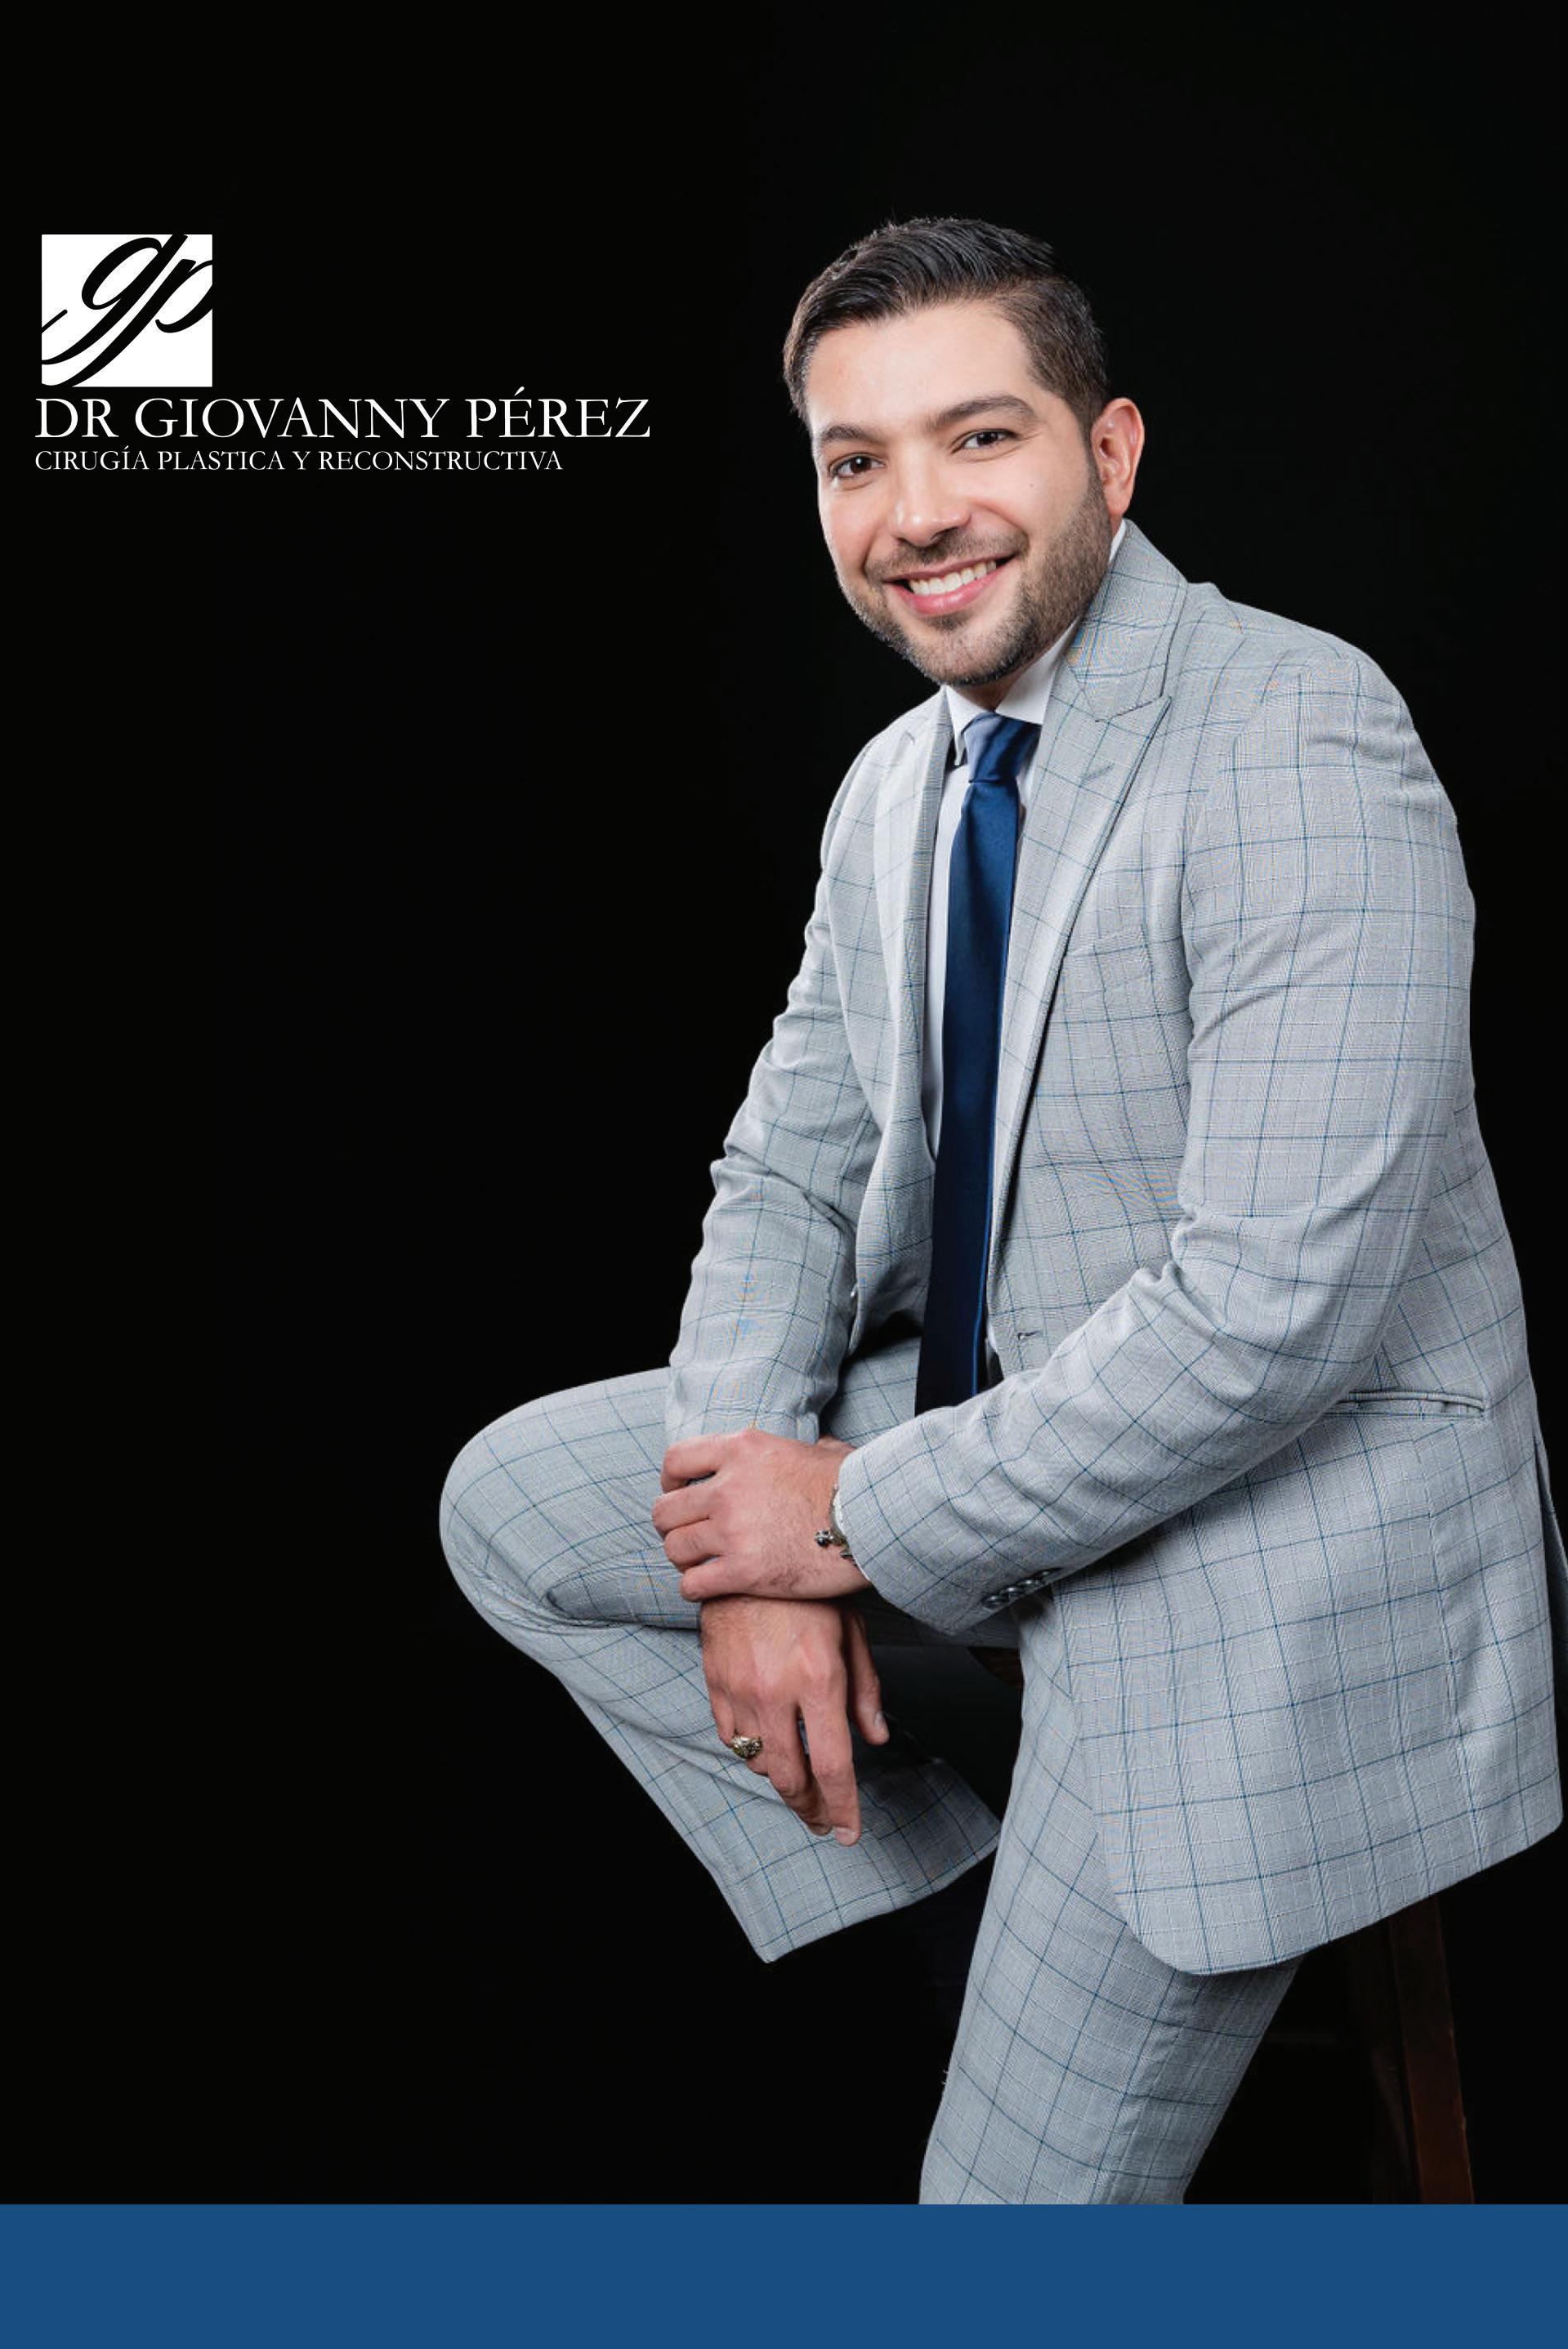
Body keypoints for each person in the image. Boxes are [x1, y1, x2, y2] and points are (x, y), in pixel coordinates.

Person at [437, 215, 1566, 2204]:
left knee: (983, 2244)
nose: (914, 513)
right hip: (997, 1450)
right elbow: (785, 1171)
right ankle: (1010, 1893)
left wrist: (843, 1519)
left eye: (978, 437)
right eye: (853, 460)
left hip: (1254, 1541)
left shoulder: (1294, 734)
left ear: (1108, 453)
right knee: (516, 1506)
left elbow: (1268, 1319)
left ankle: (1101, 1925)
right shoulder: (898, 787)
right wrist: (751, 1555)